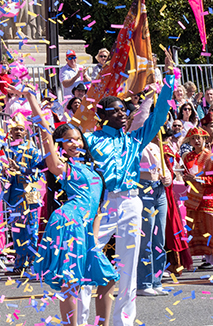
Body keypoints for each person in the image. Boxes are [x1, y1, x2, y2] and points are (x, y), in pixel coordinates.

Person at [81, 49, 175, 326]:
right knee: (88, 256)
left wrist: (168, 77)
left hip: (133, 202)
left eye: (125, 110)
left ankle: (123, 320)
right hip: (102, 205)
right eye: (117, 111)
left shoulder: (135, 140)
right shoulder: (91, 139)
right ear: (104, 116)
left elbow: (159, 114)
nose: (124, 114)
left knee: (128, 265)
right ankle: (82, 318)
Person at [20, 87, 116, 326]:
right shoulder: (64, 167)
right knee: (70, 282)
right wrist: (33, 102)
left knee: (107, 279)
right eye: (68, 140)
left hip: (85, 229)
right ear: (60, 145)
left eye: (77, 138)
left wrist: (93, 237)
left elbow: (98, 208)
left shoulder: (93, 170)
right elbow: (45, 137)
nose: (74, 143)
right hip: (68, 223)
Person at [2, 116, 42, 273]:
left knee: (31, 229)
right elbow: (2, 173)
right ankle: (19, 265)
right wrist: (5, 171)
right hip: (15, 195)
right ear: (10, 132)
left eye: (20, 129)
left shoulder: (32, 150)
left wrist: (20, 168)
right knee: (17, 230)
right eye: (15, 129)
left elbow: (38, 172)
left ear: (26, 132)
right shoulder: (7, 151)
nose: (18, 132)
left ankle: (33, 264)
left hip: (30, 193)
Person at [137, 132, 172, 296]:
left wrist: (168, 179)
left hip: (159, 191)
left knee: (159, 239)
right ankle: (143, 282)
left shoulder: (157, 147)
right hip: (144, 189)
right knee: (147, 238)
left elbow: (166, 169)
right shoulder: (134, 144)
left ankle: (156, 281)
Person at [163, 124, 192, 274]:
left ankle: (172, 263)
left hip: (164, 191)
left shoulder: (165, 150)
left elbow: (170, 172)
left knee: (170, 224)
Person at [183, 127, 213, 271]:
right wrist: (187, 179)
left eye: (198, 138)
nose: (196, 140)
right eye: (193, 138)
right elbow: (185, 175)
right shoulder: (187, 157)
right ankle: (207, 261)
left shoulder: (210, 157)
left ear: (204, 139)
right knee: (197, 230)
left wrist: (197, 179)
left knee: (211, 230)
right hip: (192, 199)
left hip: (207, 198)